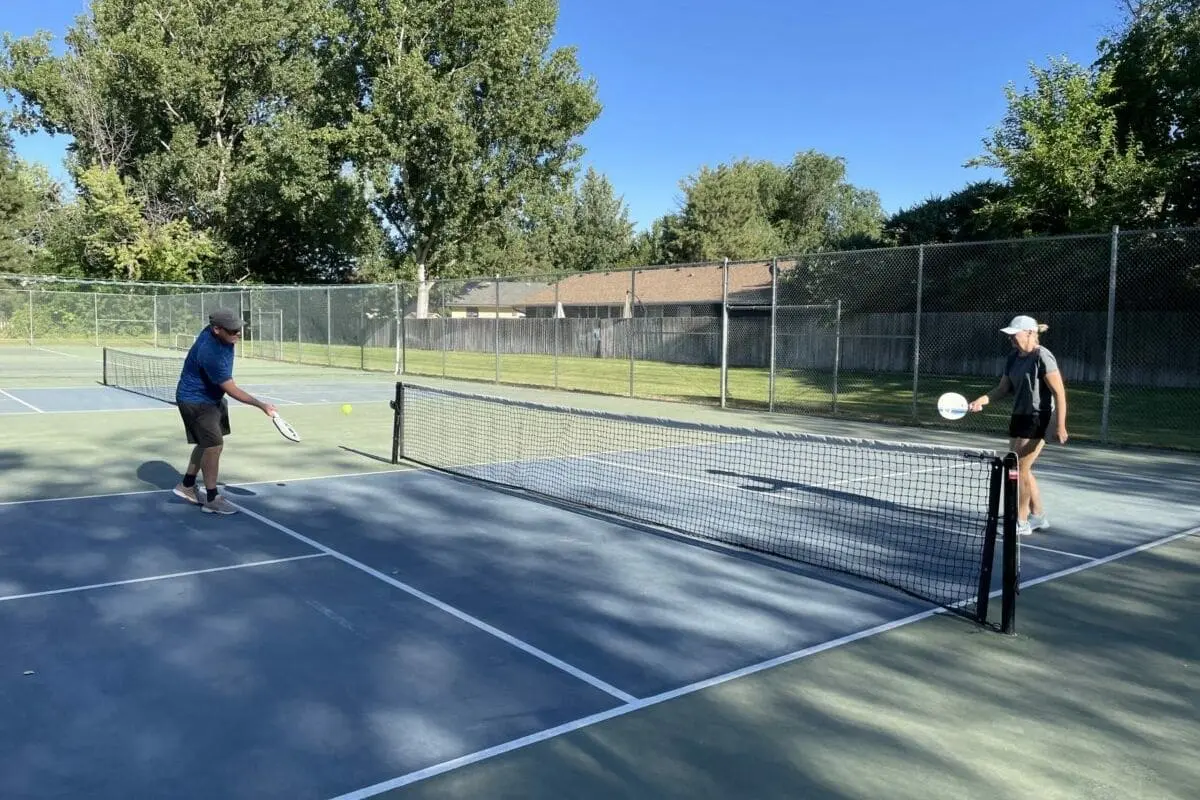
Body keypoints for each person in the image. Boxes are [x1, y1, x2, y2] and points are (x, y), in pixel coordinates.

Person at [968, 315, 1069, 537]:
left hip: (1038, 417)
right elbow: (1003, 388)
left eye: (1015, 335)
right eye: (1010, 336)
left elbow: (1059, 393)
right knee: (1021, 467)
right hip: (1019, 416)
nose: (1011, 340)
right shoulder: (1013, 357)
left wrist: (1060, 426)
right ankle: (1038, 516)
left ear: (1031, 333)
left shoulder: (1043, 356)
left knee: (1018, 468)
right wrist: (981, 401)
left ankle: (1021, 521)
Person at [172, 309, 277, 515]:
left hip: (211, 398)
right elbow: (232, 389)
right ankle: (211, 499)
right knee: (214, 445)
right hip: (196, 401)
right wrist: (262, 405)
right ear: (217, 329)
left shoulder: (220, 334)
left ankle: (186, 485)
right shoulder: (210, 353)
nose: (238, 334)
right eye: (233, 331)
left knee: (207, 443)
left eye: (240, 330)